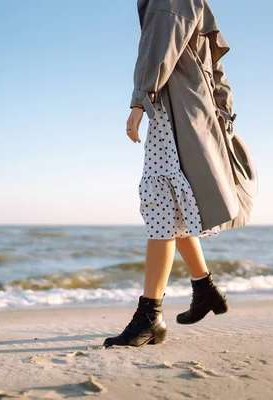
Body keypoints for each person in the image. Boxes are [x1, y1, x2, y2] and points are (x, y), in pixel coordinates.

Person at [103, 0, 258, 347]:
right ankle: (204, 289)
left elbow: (160, 43)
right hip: (189, 110)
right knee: (174, 205)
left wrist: (138, 101)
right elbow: (215, 61)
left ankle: (150, 315)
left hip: (173, 110)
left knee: (159, 203)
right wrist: (223, 113)